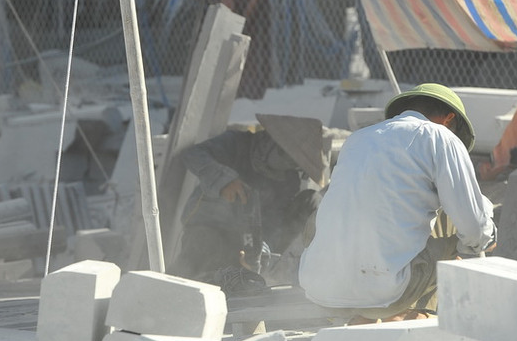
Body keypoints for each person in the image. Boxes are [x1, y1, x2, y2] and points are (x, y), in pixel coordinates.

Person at [298, 83, 496, 322]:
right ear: (449, 119)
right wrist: (487, 236)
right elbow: (474, 226)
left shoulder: (358, 139)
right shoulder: (440, 136)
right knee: (469, 239)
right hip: (386, 292)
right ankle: (421, 319)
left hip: (321, 290)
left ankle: (364, 321)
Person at [171, 114, 325, 293]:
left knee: (311, 199)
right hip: (211, 229)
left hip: (249, 241)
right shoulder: (236, 143)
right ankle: (171, 292)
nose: (290, 166)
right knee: (203, 248)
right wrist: (224, 180)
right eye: (289, 158)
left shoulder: (288, 180)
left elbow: (275, 224)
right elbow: (192, 154)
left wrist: (261, 250)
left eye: (296, 164)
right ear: (273, 144)